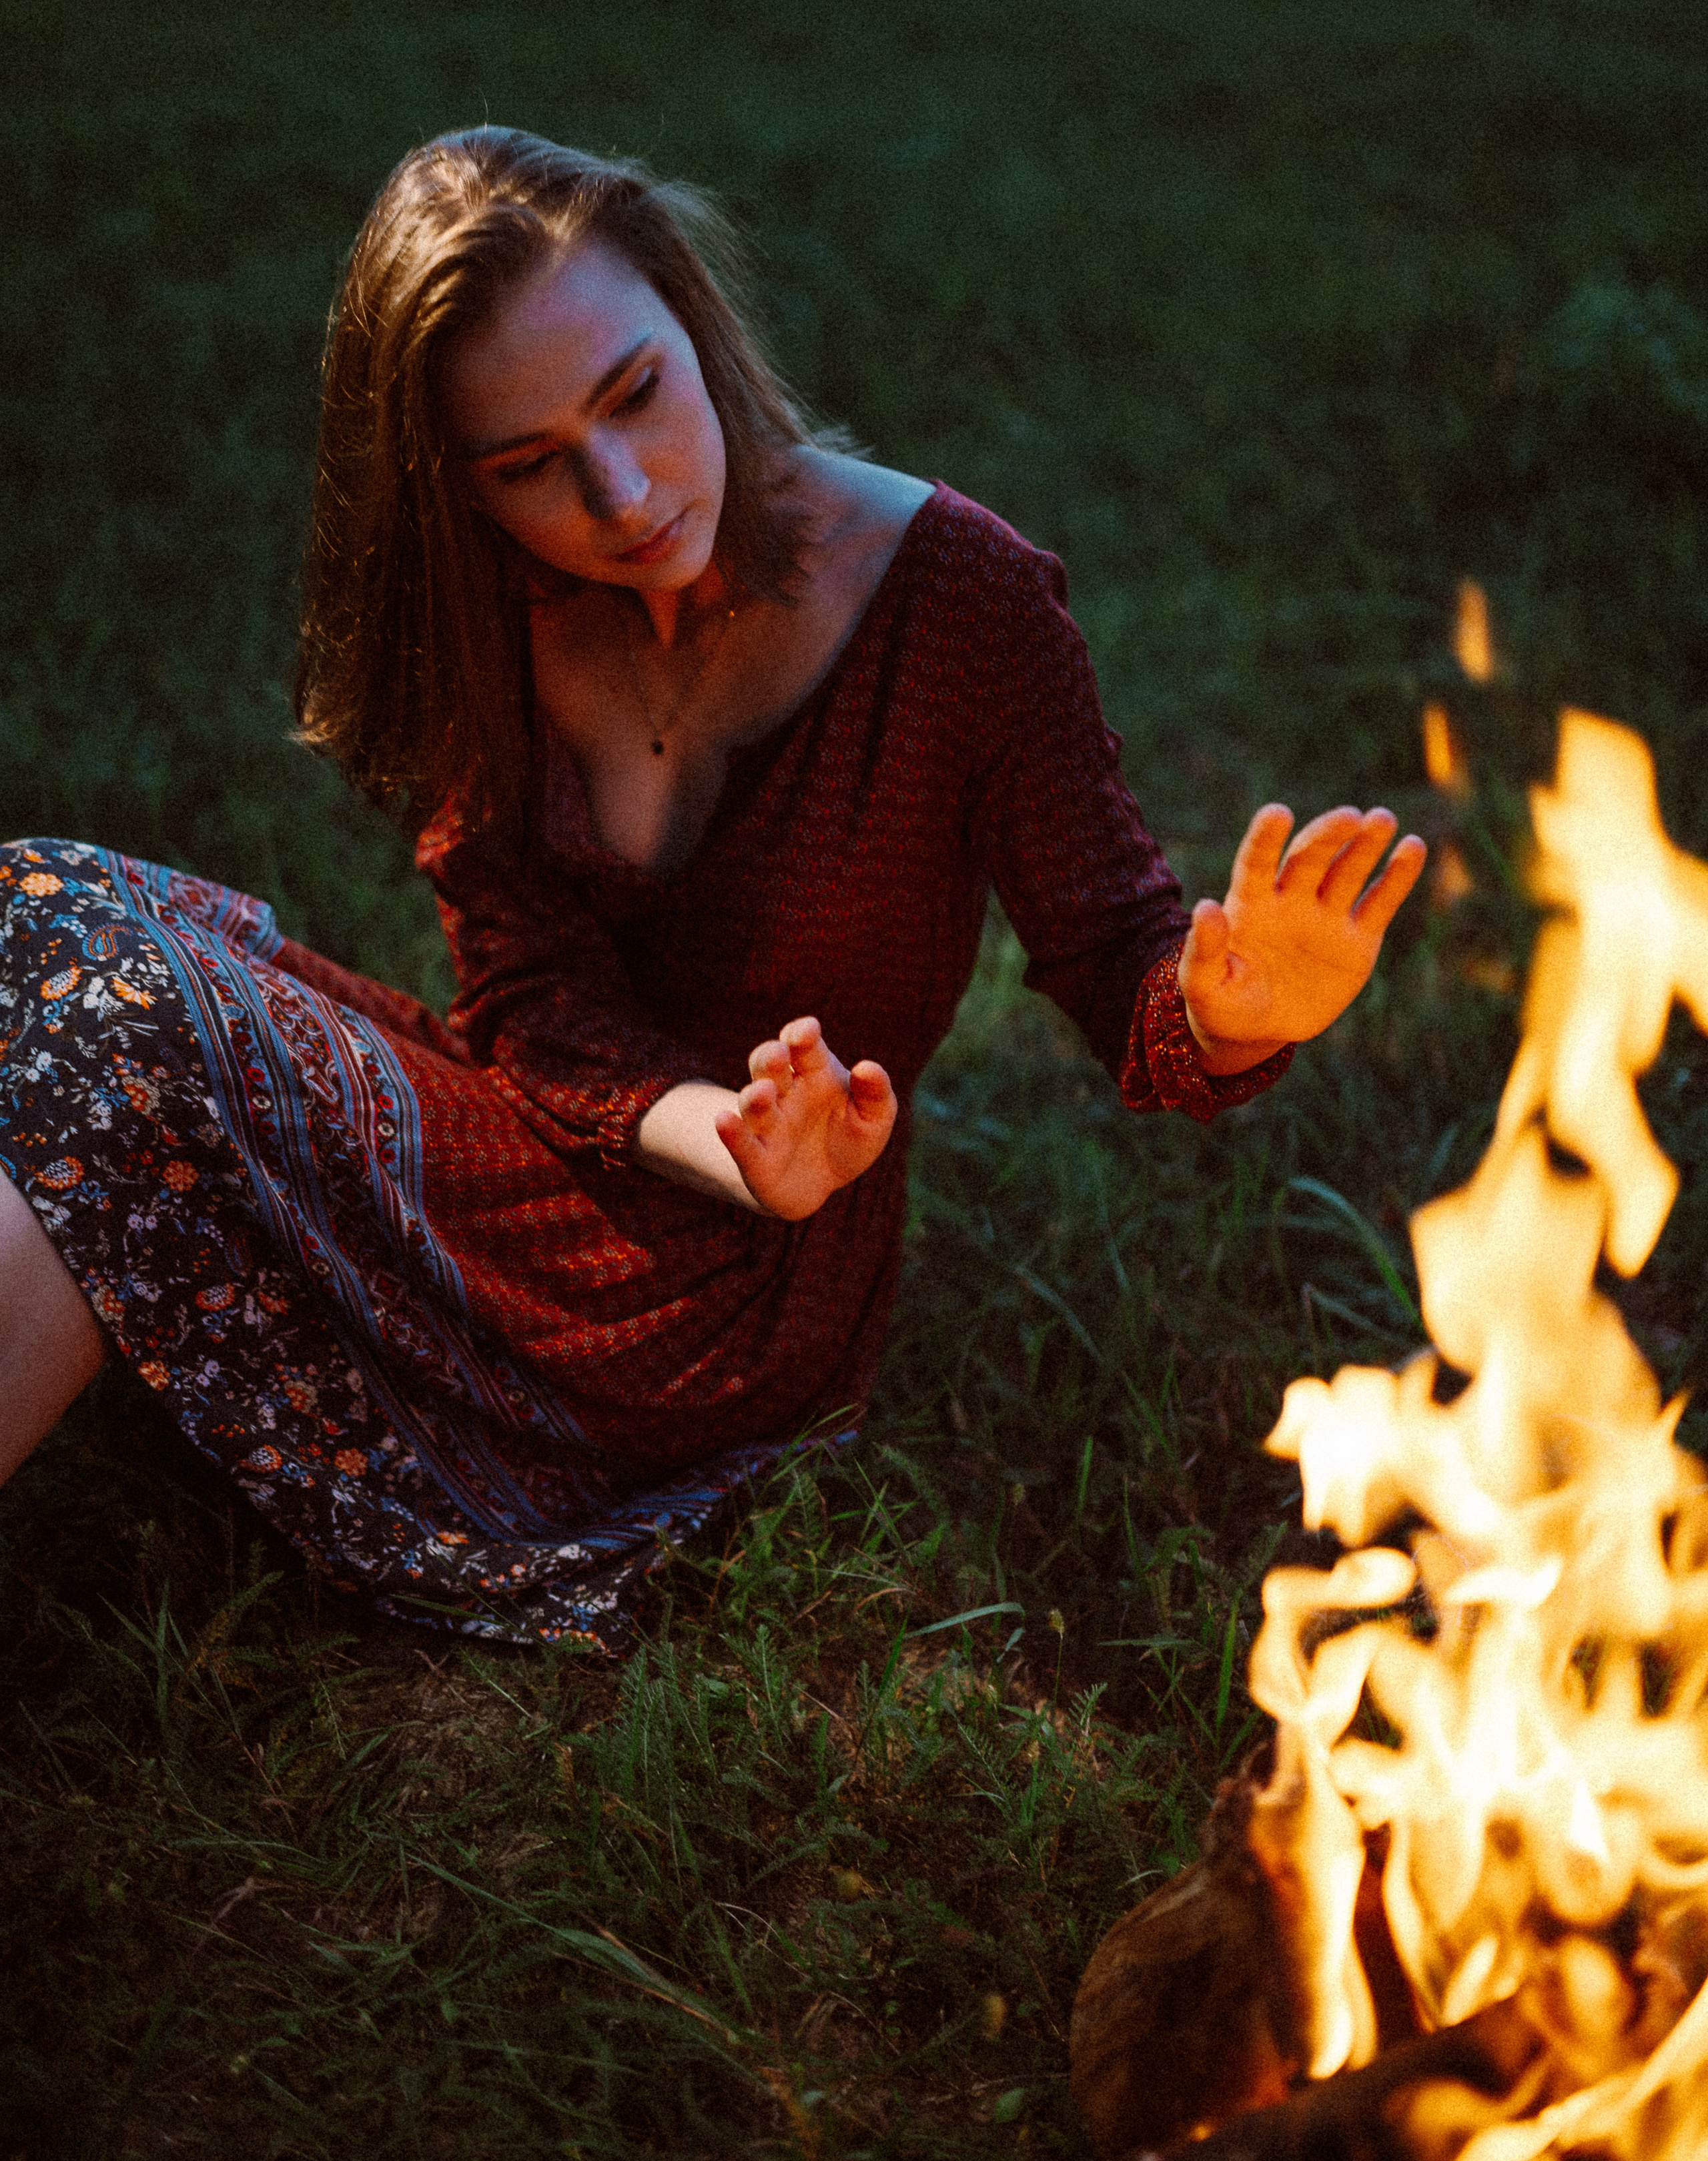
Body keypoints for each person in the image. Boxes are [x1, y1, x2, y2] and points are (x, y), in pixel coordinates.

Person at [0, 129, 1426, 1647]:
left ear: (697, 325)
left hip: (727, 1293)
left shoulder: (962, 601)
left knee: (119, 1031)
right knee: (42, 918)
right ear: (456, 490)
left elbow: (1117, 957)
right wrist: (722, 1137)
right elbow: (534, 1007)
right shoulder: (506, 618)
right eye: (527, 464)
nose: (616, 492)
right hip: (558, 1154)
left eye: (634, 393)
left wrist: (1220, 1009)